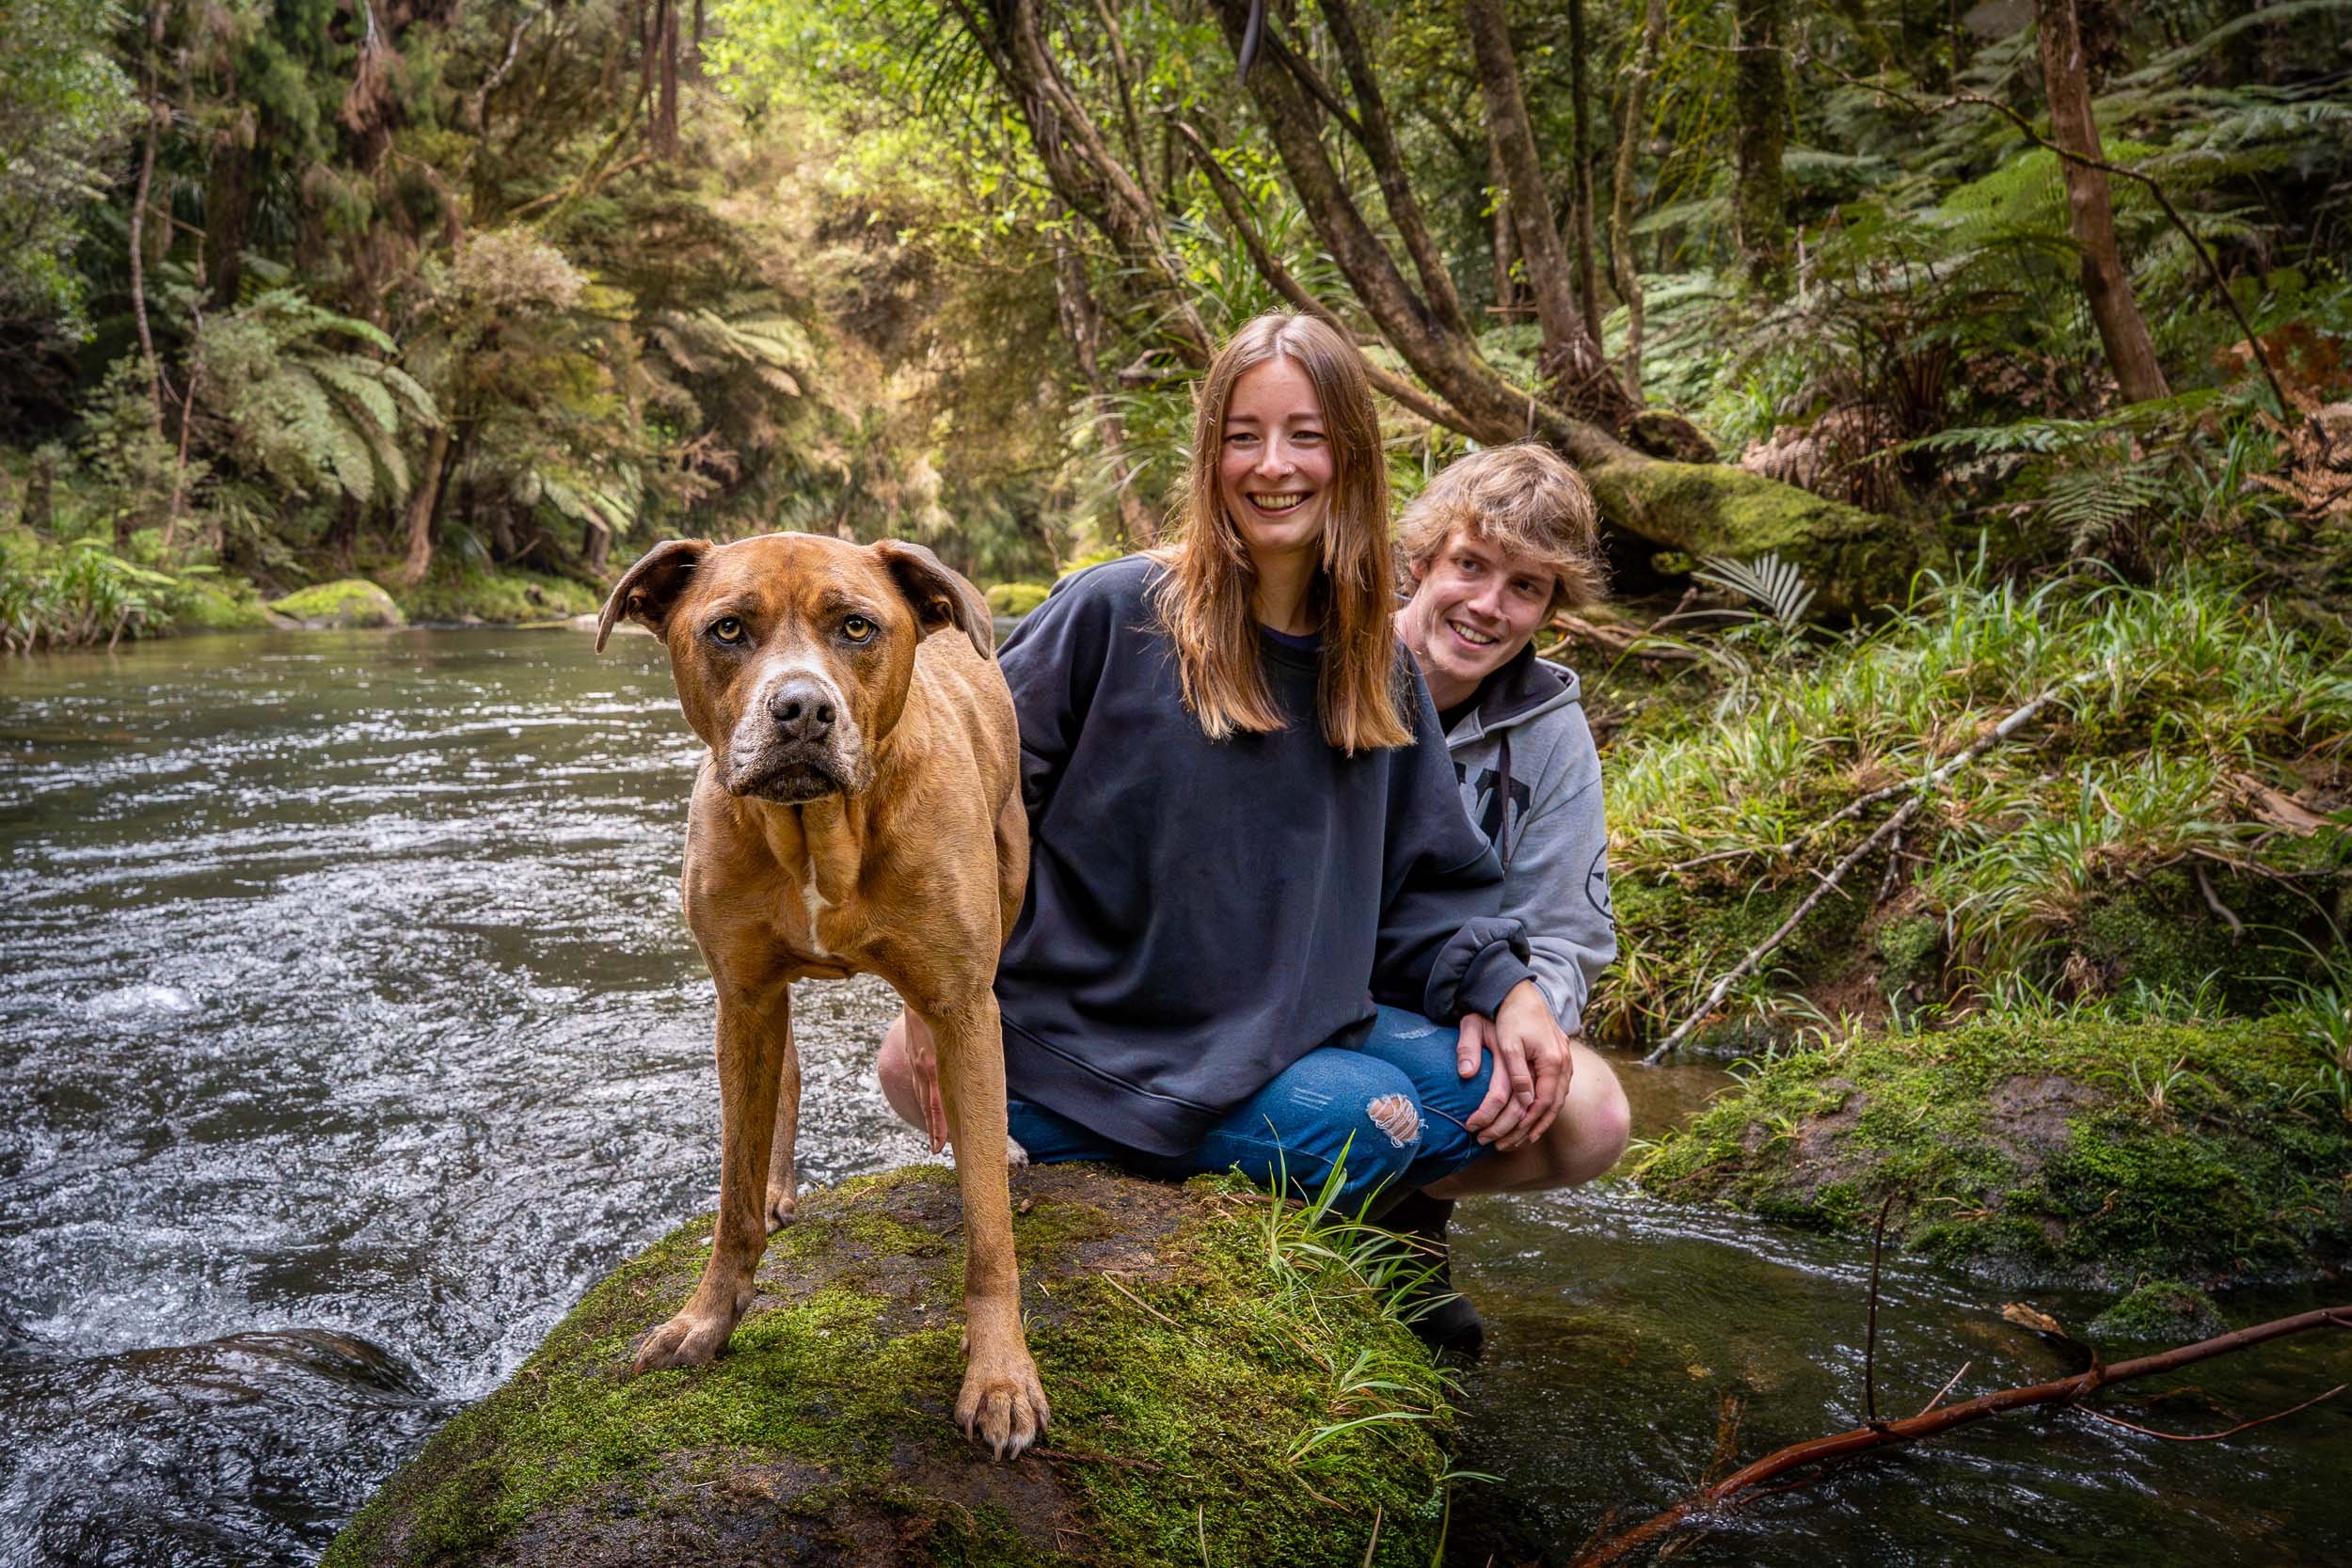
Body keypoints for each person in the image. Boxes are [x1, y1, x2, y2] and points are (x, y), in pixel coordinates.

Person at [876, 315, 1579, 1314]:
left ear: (1351, 455)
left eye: (1304, 434)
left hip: (1282, 1024)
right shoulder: (1111, 610)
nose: (1272, 465)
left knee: (1519, 1100)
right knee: (1366, 1127)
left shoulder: (1377, 666)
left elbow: (1425, 884)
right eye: (1243, 435)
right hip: (1090, 1031)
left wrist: (1506, 990)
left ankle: (1129, 1153)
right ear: (1211, 456)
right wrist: (926, 989)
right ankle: (1061, 1123)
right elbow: (953, 794)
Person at [1391, 444, 1632, 1240]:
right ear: (1423, 560)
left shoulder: (1552, 732)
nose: (1489, 605)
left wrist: (1511, 1006)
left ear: (1550, 611)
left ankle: (1402, 1217)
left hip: (1447, 1014)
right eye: (1472, 565)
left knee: (1594, 1114)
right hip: (1303, 1005)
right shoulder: (1330, 665)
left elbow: (1567, 932)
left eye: (1524, 586)